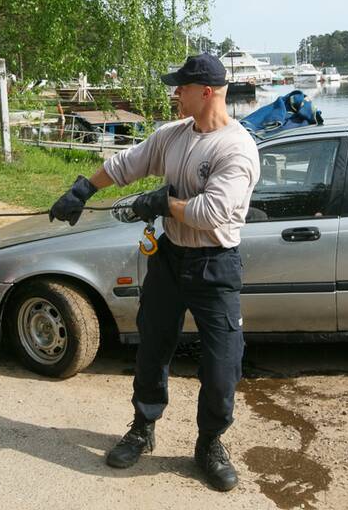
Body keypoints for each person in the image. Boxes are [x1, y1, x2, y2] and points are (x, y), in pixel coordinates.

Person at [49, 54, 260, 492]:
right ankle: (143, 428)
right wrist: (83, 188)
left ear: (206, 91)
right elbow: (127, 163)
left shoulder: (236, 148)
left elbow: (211, 212)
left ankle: (210, 442)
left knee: (222, 363)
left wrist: (163, 202)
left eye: (181, 87)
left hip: (214, 264)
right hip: (169, 258)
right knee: (152, 346)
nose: (174, 93)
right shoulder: (173, 135)